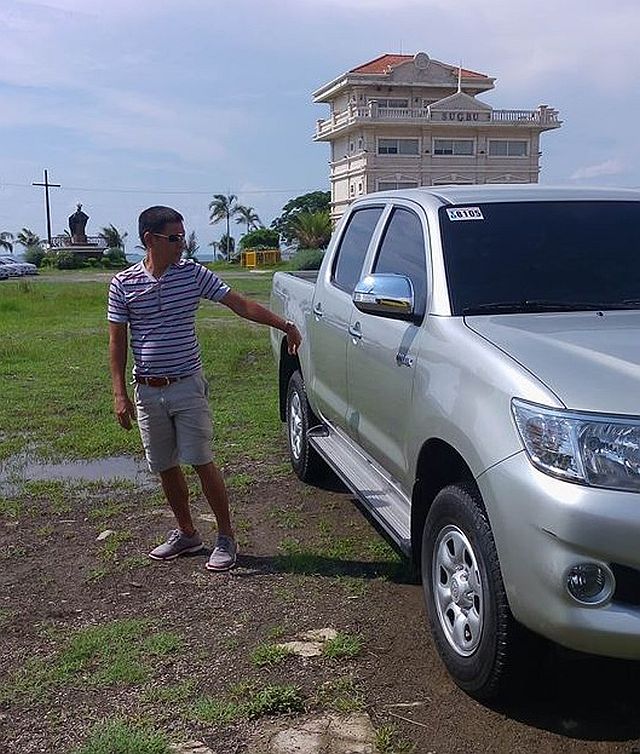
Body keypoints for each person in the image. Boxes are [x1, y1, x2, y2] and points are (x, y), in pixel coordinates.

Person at [107, 205, 301, 571]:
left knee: (200, 460)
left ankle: (226, 535)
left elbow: (238, 304)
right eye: (174, 238)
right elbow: (117, 343)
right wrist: (119, 394)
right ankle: (187, 533)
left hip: (186, 385)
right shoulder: (124, 284)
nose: (182, 244)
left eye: (182, 237)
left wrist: (283, 324)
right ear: (150, 240)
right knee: (164, 465)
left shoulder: (192, 274)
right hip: (147, 390)